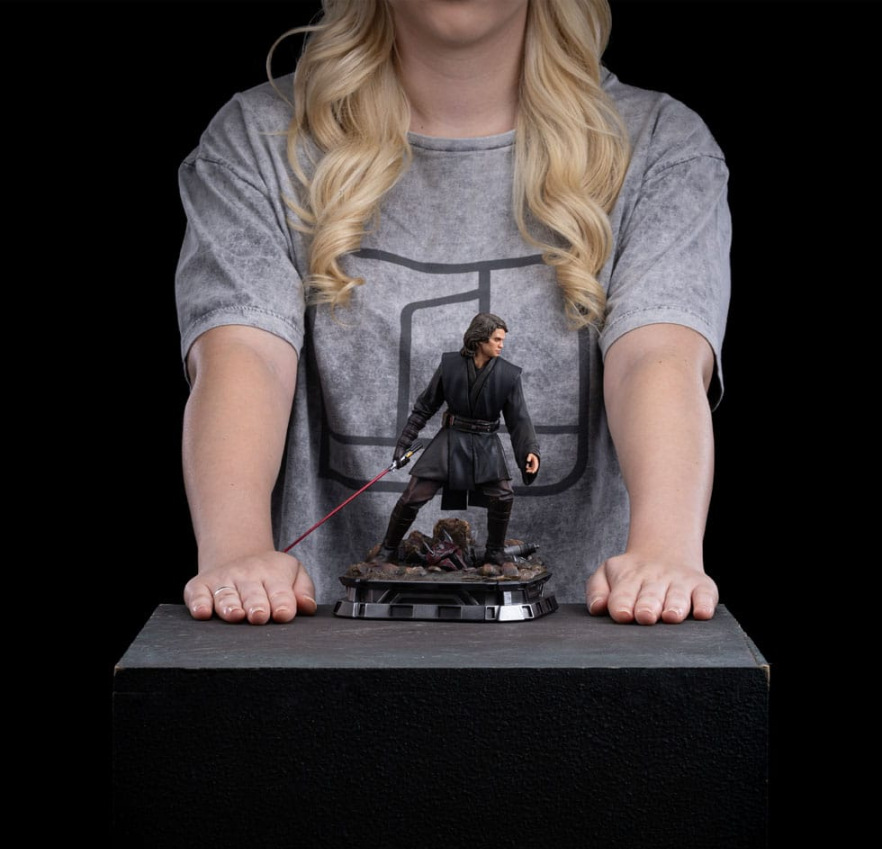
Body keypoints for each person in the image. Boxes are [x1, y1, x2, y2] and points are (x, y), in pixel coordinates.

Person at [176, 0, 730, 627]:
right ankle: (393, 548)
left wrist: (664, 551)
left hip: (586, 646)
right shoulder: (256, 141)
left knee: (497, 498)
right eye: (493, 336)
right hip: (321, 650)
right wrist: (238, 553)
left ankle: (494, 556)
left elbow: (656, 359)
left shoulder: (661, 146)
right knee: (417, 496)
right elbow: (243, 356)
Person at [373, 312, 540, 566]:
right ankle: (388, 549)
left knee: (504, 496)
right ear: (480, 339)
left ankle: (495, 551)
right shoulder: (450, 366)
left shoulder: (508, 375)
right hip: (450, 441)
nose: (501, 345)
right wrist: (404, 442)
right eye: (496, 339)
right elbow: (425, 407)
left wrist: (530, 450)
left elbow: (520, 419)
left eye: (502, 340)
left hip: (485, 443)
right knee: (413, 495)